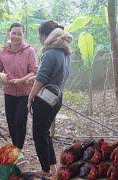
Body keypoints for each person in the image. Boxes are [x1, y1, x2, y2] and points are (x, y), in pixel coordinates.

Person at [27, 20, 72, 178]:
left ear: (46, 36)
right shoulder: (65, 54)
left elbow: (41, 79)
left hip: (44, 100)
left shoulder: (50, 53)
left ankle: (45, 170)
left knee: (38, 134)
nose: (40, 39)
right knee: (45, 133)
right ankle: (52, 167)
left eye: (41, 36)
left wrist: (30, 98)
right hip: (56, 99)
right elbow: (53, 76)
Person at [0, 23, 37, 152]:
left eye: (19, 33)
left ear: (23, 35)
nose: (16, 36)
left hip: (25, 92)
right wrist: (1, 74)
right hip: (9, 92)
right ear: (9, 33)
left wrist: (21, 80)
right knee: (11, 122)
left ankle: (19, 149)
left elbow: (34, 71)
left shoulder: (29, 51)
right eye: (14, 33)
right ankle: (15, 148)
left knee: (20, 121)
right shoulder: (2, 51)